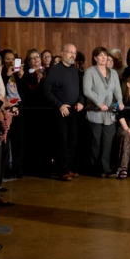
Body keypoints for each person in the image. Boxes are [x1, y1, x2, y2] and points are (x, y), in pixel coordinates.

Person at [44, 43, 85, 181]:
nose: (73, 55)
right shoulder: (54, 70)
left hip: (74, 111)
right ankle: (62, 171)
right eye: (70, 52)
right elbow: (47, 91)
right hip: (60, 112)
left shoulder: (75, 71)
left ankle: (68, 168)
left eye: (74, 53)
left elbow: (80, 91)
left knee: (72, 141)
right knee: (61, 142)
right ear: (62, 53)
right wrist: (60, 105)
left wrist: (81, 102)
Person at [83, 46, 124, 178]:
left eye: (105, 55)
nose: (103, 57)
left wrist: (120, 101)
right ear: (95, 58)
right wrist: (98, 103)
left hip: (109, 113)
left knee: (108, 141)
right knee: (96, 141)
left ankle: (106, 168)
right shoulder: (90, 72)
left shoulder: (113, 73)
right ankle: (95, 168)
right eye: (100, 55)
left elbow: (117, 89)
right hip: (95, 112)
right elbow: (87, 91)